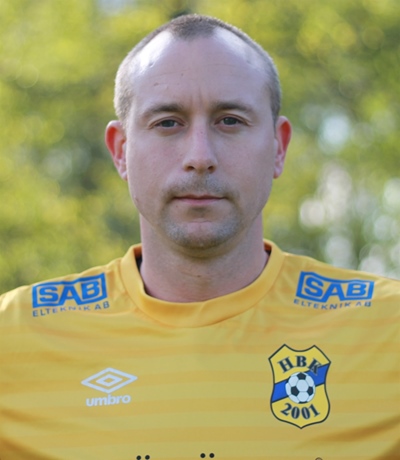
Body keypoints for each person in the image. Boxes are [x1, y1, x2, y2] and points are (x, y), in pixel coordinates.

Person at [0, 14, 398, 460]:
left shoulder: (388, 331)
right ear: (121, 151)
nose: (200, 156)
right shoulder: (13, 339)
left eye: (230, 121)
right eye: (168, 123)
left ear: (278, 147)